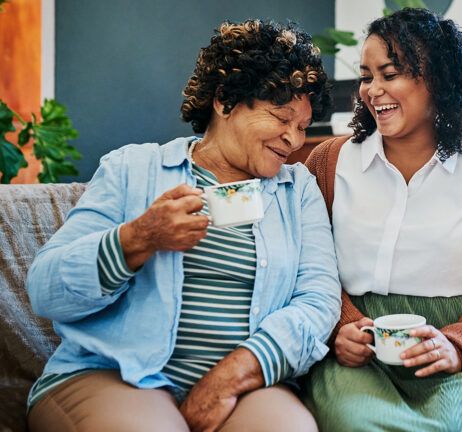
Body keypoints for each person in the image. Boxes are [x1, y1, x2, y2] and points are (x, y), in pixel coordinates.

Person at [26, 19, 339, 432]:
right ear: (226, 100)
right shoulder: (132, 169)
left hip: (247, 383)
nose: (294, 140)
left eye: (301, 127)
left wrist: (231, 377)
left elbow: (317, 301)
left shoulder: (296, 190)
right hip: (114, 372)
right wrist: (137, 239)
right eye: (282, 118)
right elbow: (45, 290)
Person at [302, 8, 462, 431]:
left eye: (390, 73)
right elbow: (305, 268)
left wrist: (458, 347)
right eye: (367, 77)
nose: (373, 90)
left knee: (458, 424)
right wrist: (338, 329)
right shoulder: (327, 164)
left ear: (437, 78)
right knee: (354, 421)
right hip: (360, 355)